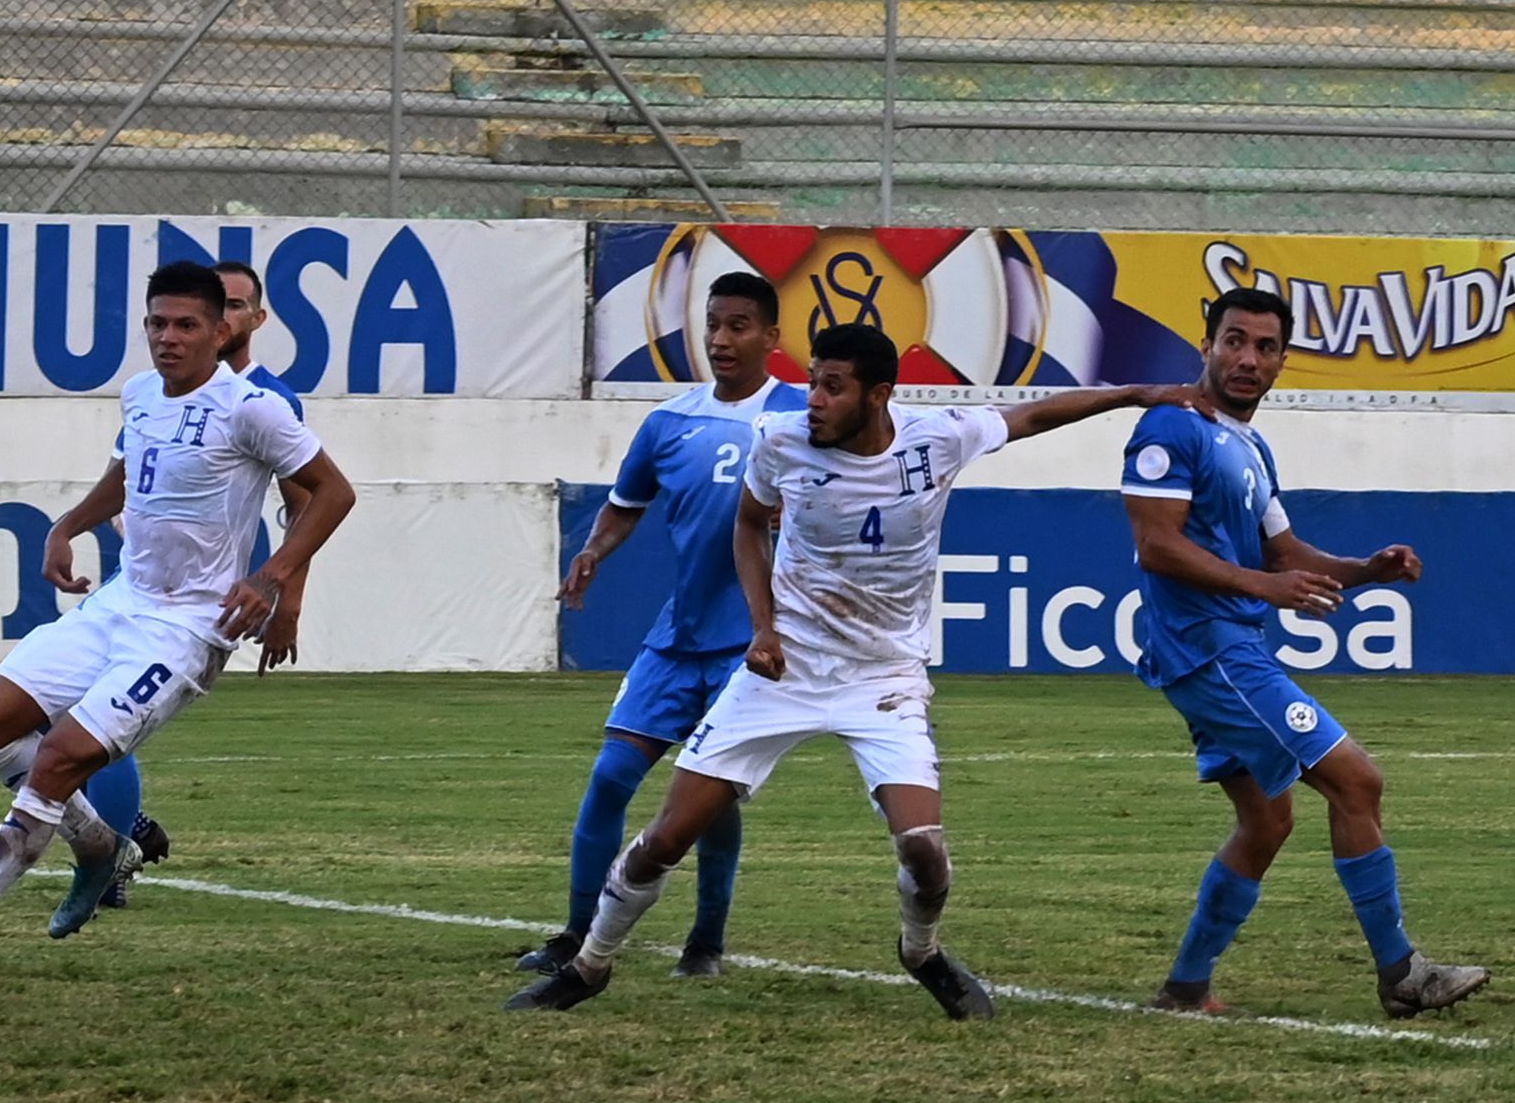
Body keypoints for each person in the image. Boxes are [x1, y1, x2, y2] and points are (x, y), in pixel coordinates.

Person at [509, 323, 1209, 1018]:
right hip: (783, 673)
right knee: (665, 835)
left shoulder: (936, 437)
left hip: (883, 678)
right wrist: (762, 626)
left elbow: (1034, 413)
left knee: (923, 851)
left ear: (877, 395)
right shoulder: (779, 440)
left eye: (831, 386)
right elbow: (749, 525)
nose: (811, 398)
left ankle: (920, 951)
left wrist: (1136, 393)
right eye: (811, 379)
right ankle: (590, 963)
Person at [0, 261, 358, 967]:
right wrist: (68, 522)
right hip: (119, 603)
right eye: (156, 322)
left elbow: (332, 492)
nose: (168, 337)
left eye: (186, 324)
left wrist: (272, 578)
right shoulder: (138, 395)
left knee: (60, 757)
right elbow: (128, 474)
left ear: (221, 331)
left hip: (188, 627)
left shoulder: (251, 407)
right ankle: (98, 846)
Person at [1123, 287, 1488, 1019]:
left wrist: (1363, 569)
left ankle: (1184, 988)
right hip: (1211, 651)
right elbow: (1156, 545)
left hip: (1225, 649)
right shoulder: (1172, 427)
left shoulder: (1251, 445)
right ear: (1205, 346)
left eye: (1262, 346)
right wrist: (1265, 584)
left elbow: (1283, 549)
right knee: (1356, 781)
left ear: (1282, 360)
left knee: (1266, 822)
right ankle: (1401, 973)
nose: (1246, 358)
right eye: (1232, 340)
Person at [516, 272, 804, 981]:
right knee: (610, 775)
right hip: (675, 639)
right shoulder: (670, 420)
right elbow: (624, 502)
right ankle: (576, 932)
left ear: (770, 336)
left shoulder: (802, 416)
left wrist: (792, 514)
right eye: (712, 324)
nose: (720, 338)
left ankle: (704, 942)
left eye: (738, 325)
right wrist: (591, 550)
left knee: (710, 793)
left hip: (751, 643)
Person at [89, 258, 306, 909]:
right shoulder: (156, 387)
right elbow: (128, 470)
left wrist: (286, 596)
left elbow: (307, 501)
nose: (228, 316)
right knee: (67, 719)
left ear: (249, 321)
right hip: (140, 581)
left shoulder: (265, 401)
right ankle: (125, 829)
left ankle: (115, 849)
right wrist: (76, 522)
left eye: (238, 306)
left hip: (195, 604)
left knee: (98, 725)